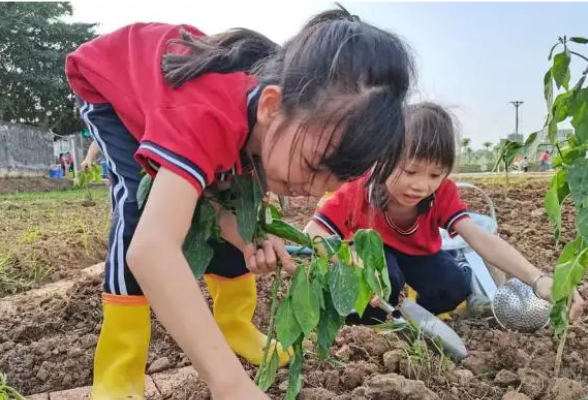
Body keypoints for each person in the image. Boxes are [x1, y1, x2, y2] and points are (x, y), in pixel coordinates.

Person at [65, 6, 414, 400]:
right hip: (111, 90)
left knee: (240, 208)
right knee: (138, 209)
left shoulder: (267, 125)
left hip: (180, 110)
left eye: (337, 180)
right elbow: (151, 250)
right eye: (314, 167)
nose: (317, 191)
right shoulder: (206, 117)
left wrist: (246, 237)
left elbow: (218, 202)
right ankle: (119, 369)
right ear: (270, 106)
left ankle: (233, 324)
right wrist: (229, 384)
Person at [304, 102, 584, 326]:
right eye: (410, 171)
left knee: (453, 287)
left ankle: (420, 317)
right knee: (382, 281)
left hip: (419, 253)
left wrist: (539, 281)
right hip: (370, 255)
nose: (421, 186)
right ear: (383, 160)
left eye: (435, 174)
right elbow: (312, 232)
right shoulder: (359, 190)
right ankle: (374, 326)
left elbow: (480, 238)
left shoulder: (441, 193)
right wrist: (350, 262)